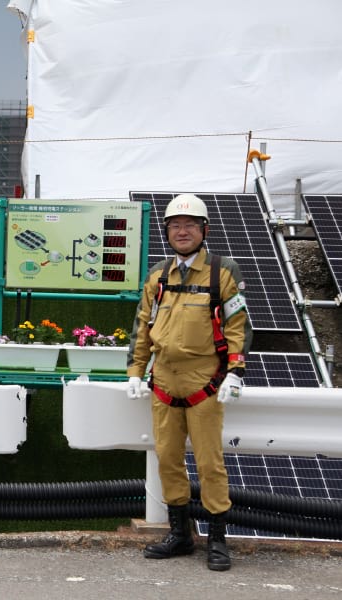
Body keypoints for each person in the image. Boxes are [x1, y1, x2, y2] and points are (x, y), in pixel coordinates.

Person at [126, 193, 252, 572]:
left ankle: (217, 539)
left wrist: (236, 371)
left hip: (205, 382)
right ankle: (180, 534)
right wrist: (135, 371)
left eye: (190, 225)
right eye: (175, 226)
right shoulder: (157, 276)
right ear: (167, 232)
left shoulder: (222, 272)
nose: (182, 232)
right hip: (164, 381)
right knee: (167, 458)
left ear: (204, 230)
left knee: (210, 462)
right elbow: (142, 327)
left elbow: (238, 325)